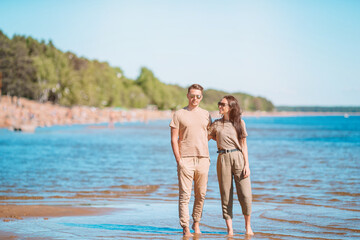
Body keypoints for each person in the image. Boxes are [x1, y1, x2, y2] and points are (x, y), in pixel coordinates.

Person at [170, 84, 212, 236]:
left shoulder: (206, 114)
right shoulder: (179, 114)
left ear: (202, 97)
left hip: (203, 159)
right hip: (185, 160)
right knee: (185, 196)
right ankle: (185, 227)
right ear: (188, 96)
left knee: (201, 194)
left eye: (198, 96)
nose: (195, 99)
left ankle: (196, 222)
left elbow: (210, 134)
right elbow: (174, 139)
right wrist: (179, 160)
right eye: (192, 95)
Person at [208, 95, 254, 236]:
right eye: (219, 103)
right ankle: (230, 230)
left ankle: (248, 227)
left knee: (245, 195)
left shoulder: (240, 123)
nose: (220, 106)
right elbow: (205, 138)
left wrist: (247, 165)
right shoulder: (216, 124)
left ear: (231, 107)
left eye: (222, 104)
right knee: (226, 195)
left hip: (238, 158)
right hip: (223, 158)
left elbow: (244, 145)